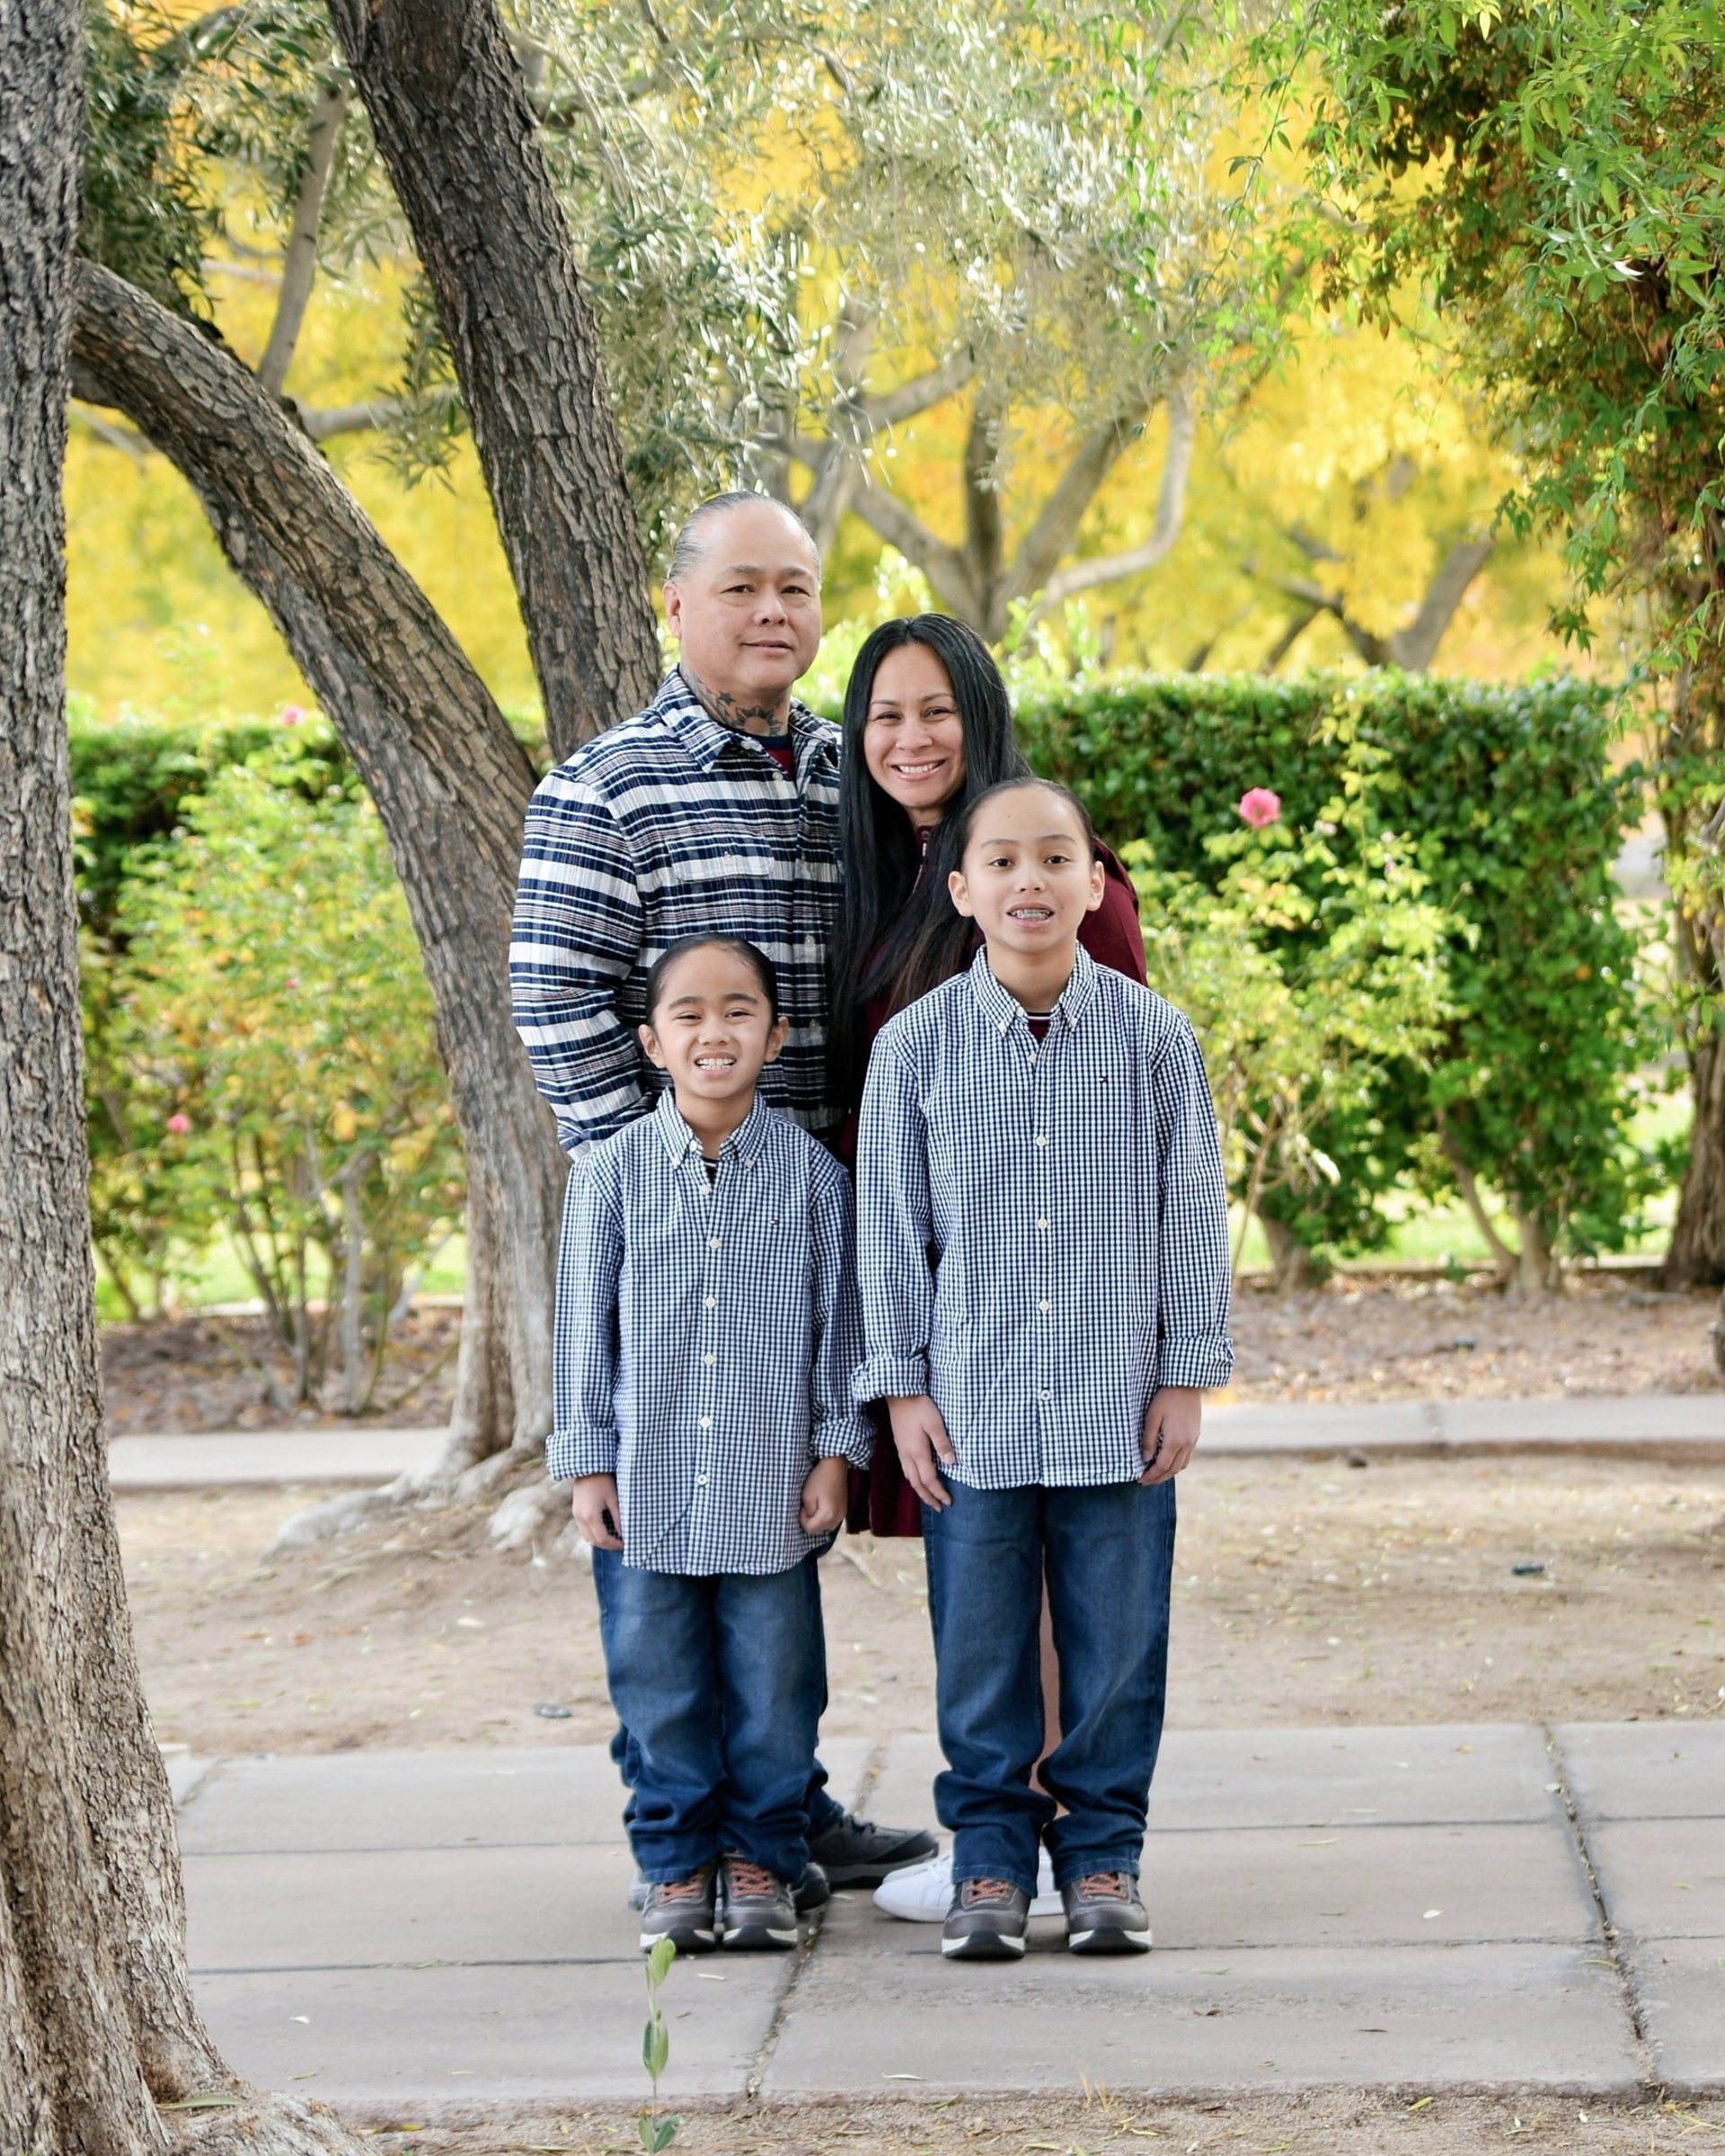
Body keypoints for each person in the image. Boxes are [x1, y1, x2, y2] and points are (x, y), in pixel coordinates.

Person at [510, 491, 935, 1905]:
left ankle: (782, 1812)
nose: (774, 613)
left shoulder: (847, 773)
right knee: (664, 1539)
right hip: (685, 1209)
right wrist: (675, 1166)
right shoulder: (606, 786)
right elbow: (558, 1002)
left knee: (777, 1528)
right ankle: (683, 1845)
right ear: (675, 605)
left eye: (799, 590)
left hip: (832, 1210)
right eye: (743, 586)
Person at [853, 777, 1234, 1961]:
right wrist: (903, 1387)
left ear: (1094, 884)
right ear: (960, 891)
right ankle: (989, 1865)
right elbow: (891, 1225)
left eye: (1056, 858)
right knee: (981, 1652)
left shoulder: (1154, 1037)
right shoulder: (914, 1048)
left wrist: (1186, 1373)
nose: (1030, 880)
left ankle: (1105, 1855)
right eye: (1002, 861)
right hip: (973, 1411)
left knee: (1117, 1646)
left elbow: (1192, 1212)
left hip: (1120, 1405)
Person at [826, 615, 1147, 1922]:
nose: (911, 738)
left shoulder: (1066, 886)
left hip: (1049, 1317)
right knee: (982, 1575)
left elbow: (1119, 1113)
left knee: (1062, 1579)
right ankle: (998, 1837)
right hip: (932, 1295)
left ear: (985, 715)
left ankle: (1065, 1848)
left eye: (938, 710)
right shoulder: (895, 875)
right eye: (886, 715)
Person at [554, 935, 876, 1952]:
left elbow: (843, 1325)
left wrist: (833, 1449)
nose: (714, 1031)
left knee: (777, 1690)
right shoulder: (610, 1178)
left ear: (776, 1034)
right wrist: (588, 1462)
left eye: (738, 1010)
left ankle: (763, 1860)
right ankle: (677, 1863)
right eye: (688, 1014)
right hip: (645, 1490)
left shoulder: (815, 1182)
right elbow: (580, 1332)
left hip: (771, 1494)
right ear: (652, 1042)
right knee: (658, 1684)